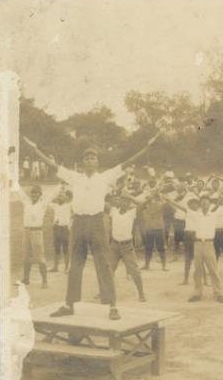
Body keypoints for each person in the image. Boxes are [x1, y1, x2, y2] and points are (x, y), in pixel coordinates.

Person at [23, 133, 158, 319]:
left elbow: (128, 161)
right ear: (82, 162)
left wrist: (147, 146)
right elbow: (52, 165)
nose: (89, 160)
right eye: (86, 158)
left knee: (104, 263)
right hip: (78, 222)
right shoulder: (74, 177)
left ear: (97, 162)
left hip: (96, 222)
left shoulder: (105, 177)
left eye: (93, 158)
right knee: (75, 264)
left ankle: (112, 306)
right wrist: (35, 149)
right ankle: (69, 305)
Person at [164, 193, 223, 303]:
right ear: (200, 204)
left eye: (206, 203)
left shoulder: (214, 214)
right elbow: (182, 208)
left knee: (213, 270)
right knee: (197, 271)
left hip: (209, 244)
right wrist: (169, 200)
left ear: (209, 204)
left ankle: (218, 293)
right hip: (197, 244)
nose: (204, 205)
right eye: (202, 203)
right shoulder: (195, 214)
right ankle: (197, 293)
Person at [12, 182, 61, 288]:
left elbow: (52, 194)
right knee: (26, 257)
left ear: (39, 194)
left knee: (40, 258)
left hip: (37, 232)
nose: (33, 195)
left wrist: (60, 185)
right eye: (32, 193)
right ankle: (26, 279)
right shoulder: (26, 201)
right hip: (26, 232)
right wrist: (13, 181)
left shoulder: (43, 203)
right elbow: (19, 192)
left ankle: (45, 281)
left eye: (36, 193)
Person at [109, 195, 146, 302]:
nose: (124, 203)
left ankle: (141, 293)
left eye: (127, 202)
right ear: (119, 202)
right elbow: (103, 202)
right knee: (109, 270)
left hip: (127, 246)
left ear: (129, 203)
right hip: (114, 245)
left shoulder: (132, 213)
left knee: (134, 271)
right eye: (122, 201)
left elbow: (143, 204)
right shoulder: (113, 211)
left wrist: (130, 197)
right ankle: (105, 291)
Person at [49, 189, 72, 272]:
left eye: (62, 196)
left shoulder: (69, 205)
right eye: (59, 196)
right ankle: (55, 267)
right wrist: (56, 193)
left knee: (66, 248)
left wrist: (70, 224)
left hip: (64, 228)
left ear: (65, 197)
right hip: (56, 228)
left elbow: (74, 214)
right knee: (56, 248)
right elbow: (48, 200)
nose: (60, 197)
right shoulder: (55, 205)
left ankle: (67, 267)